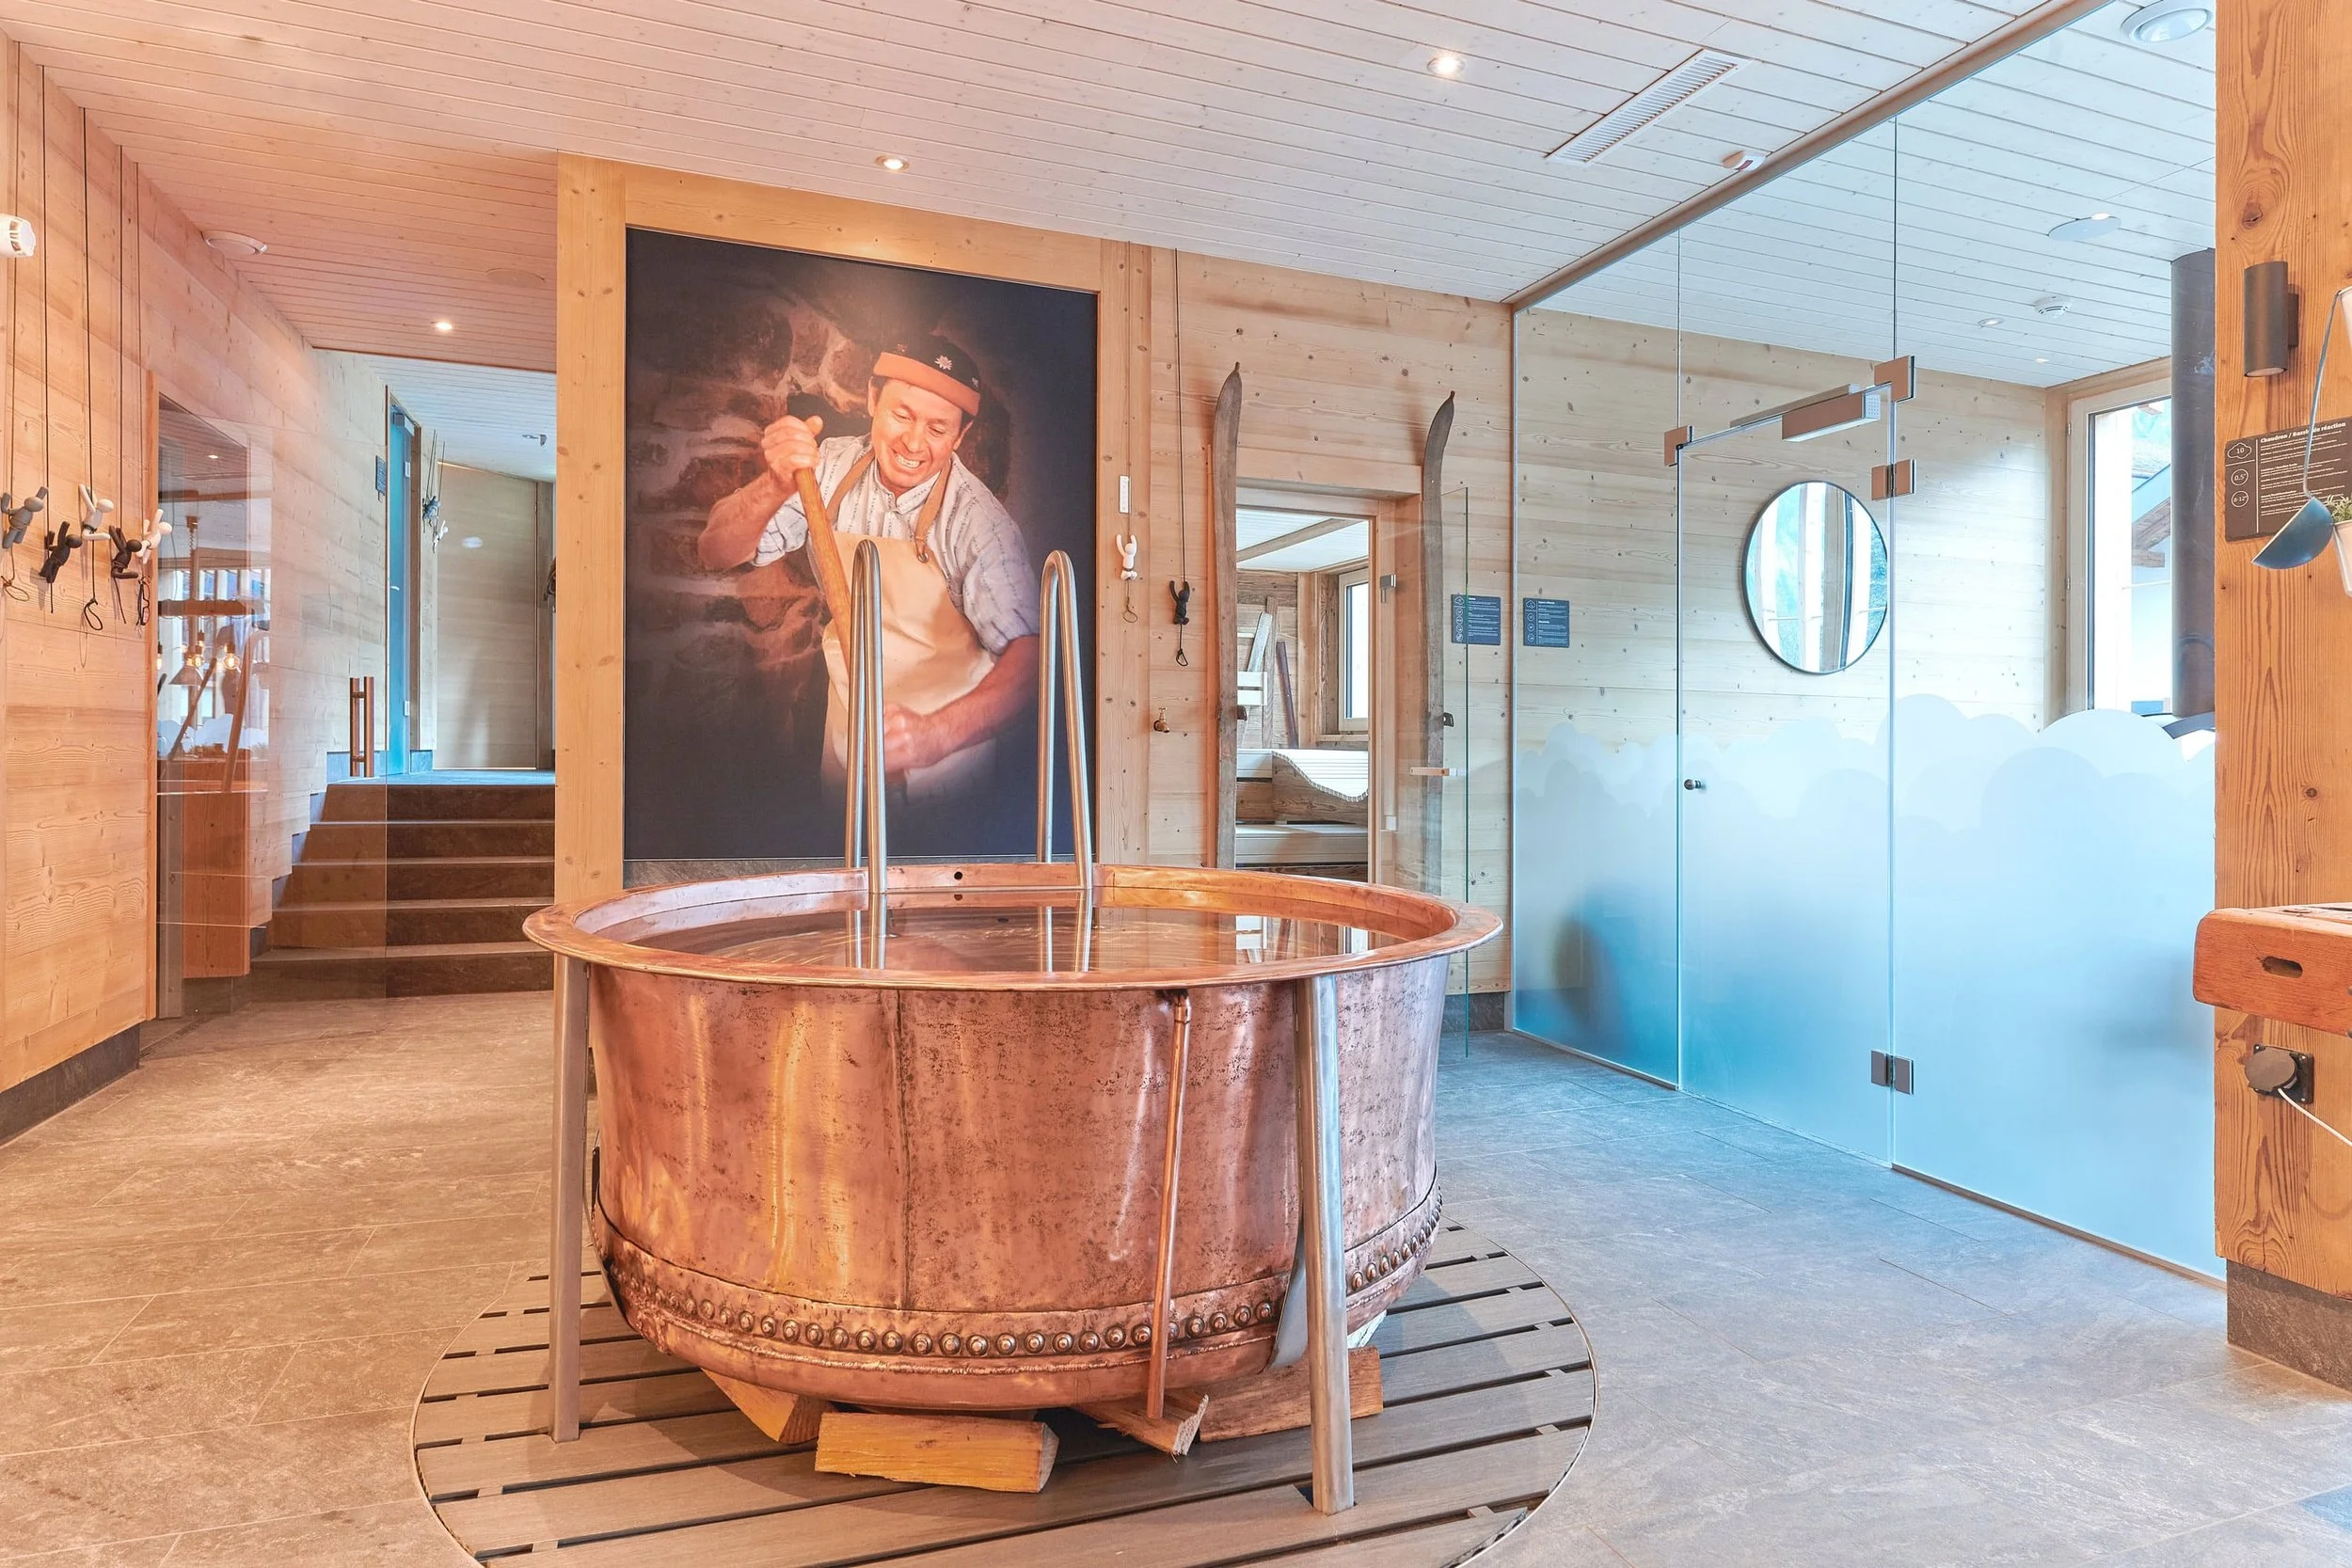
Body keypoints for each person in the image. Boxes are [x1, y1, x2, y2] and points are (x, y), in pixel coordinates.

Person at [699, 336, 1039, 797]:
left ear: (960, 436)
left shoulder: (979, 523)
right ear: (873, 399)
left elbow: (1031, 659)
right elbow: (715, 550)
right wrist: (775, 485)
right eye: (902, 415)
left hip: (947, 760)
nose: (914, 443)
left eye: (938, 430)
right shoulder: (827, 469)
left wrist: (933, 737)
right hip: (850, 736)